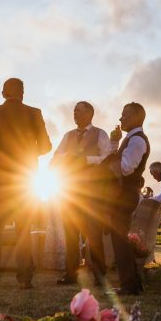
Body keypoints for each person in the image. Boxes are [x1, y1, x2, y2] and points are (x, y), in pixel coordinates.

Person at [0, 78, 52, 289]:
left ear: (3, 93)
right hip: (24, 180)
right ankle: (25, 280)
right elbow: (45, 146)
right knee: (23, 230)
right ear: (23, 93)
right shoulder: (34, 113)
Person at [51, 101, 113, 286]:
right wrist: (67, 159)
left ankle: (99, 275)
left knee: (93, 235)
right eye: (74, 111)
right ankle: (71, 274)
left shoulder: (100, 134)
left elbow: (107, 158)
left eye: (78, 111)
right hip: (69, 191)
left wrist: (85, 159)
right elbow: (57, 155)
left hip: (91, 192)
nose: (75, 114)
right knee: (70, 234)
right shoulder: (68, 135)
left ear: (90, 114)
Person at [103, 102, 150, 296]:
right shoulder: (129, 139)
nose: (121, 119)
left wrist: (108, 164)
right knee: (120, 239)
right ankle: (134, 282)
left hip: (124, 195)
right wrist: (115, 143)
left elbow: (125, 167)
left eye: (125, 115)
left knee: (119, 240)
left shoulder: (138, 140)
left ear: (136, 118)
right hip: (121, 194)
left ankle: (129, 285)